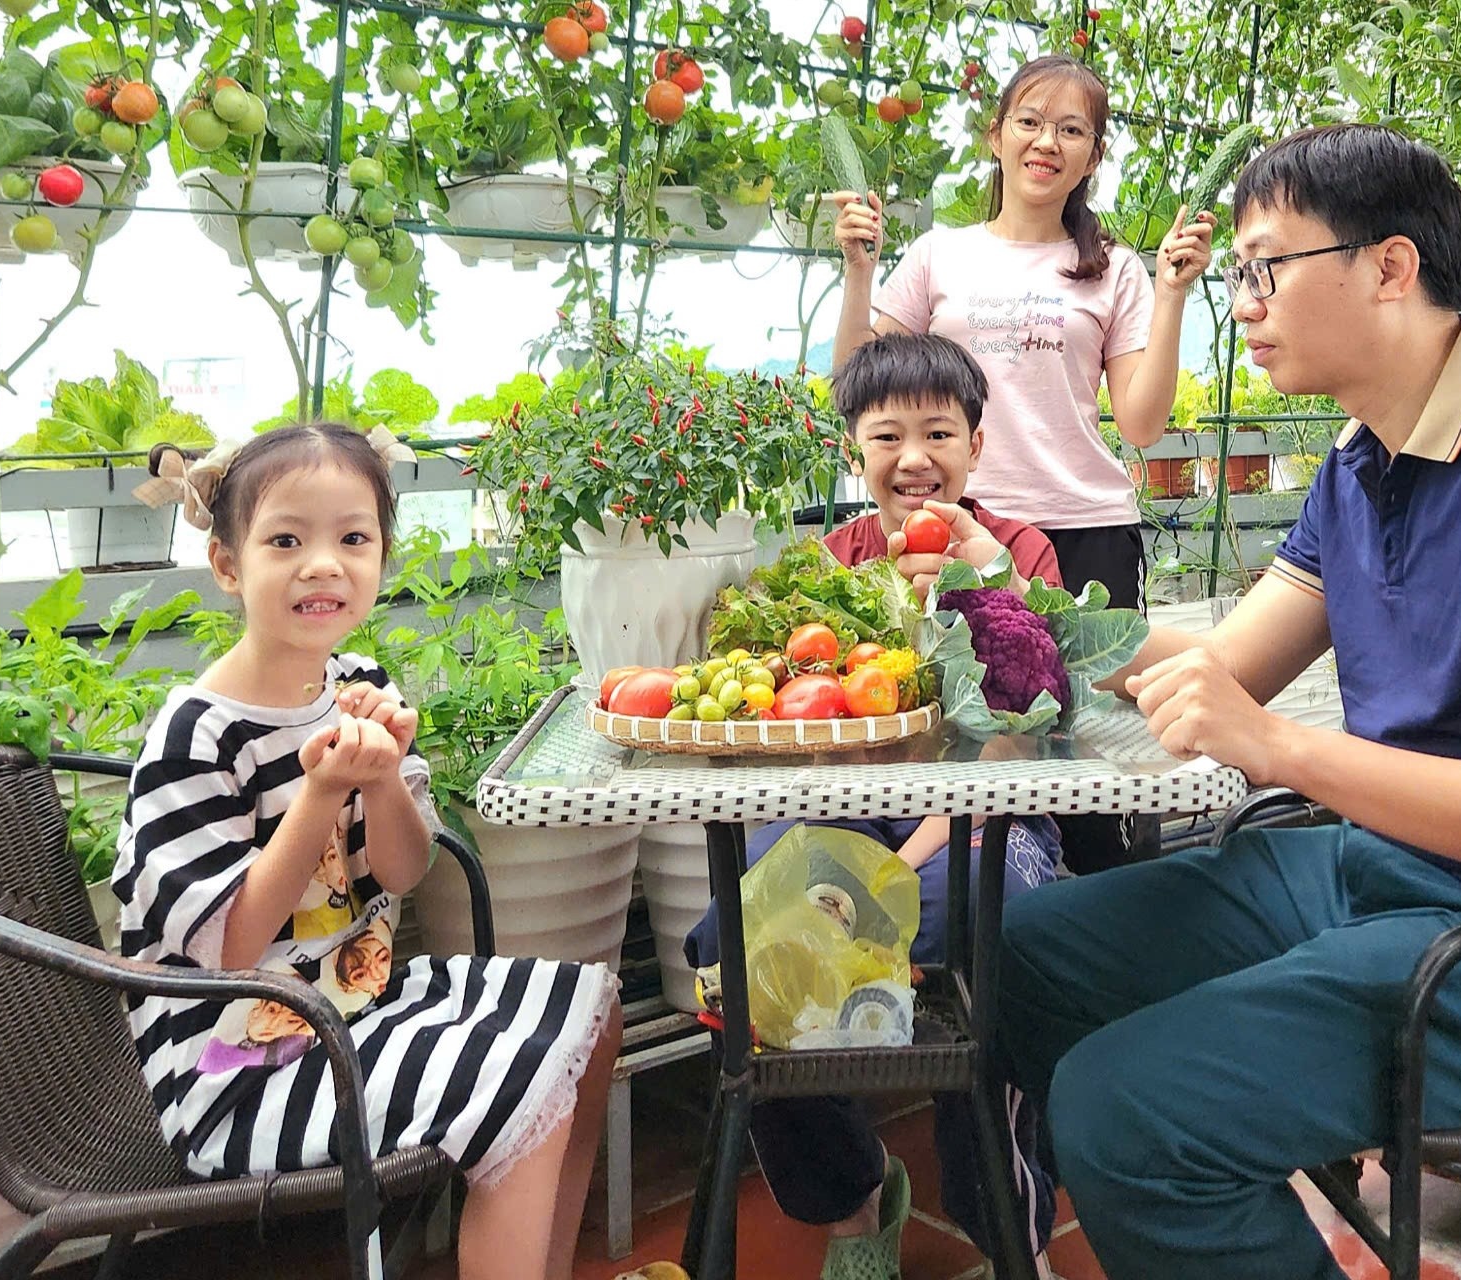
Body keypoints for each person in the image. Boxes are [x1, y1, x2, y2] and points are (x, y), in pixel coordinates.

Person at [999, 123, 1461, 1278]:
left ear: (1390, 266)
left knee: (1125, 1110)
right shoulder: (1359, 463)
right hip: (1390, 876)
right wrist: (1008, 614)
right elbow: (1225, 667)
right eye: (1239, 275)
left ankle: (1176, 1166)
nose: (1244, 304)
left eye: (1266, 268)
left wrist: (1283, 749)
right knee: (1019, 946)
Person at [116, 424, 686, 1280]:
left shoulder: (359, 684)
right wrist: (320, 795)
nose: (323, 565)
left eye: (353, 538)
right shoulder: (195, 737)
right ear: (227, 564)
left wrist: (382, 782)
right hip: (236, 1067)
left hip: (354, 1001)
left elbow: (405, 871)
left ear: (382, 555)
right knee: (519, 1079)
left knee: (594, 1014)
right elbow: (229, 949)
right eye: (285, 541)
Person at [685, 333, 1068, 1279]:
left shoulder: (1019, 551)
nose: (914, 459)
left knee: (992, 932)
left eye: (939, 433)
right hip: (842, 812)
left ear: (977, 444)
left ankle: (1007, 1226)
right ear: (855, 449)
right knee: (737, 945)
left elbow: (1027, 732)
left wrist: (985, 587)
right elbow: (799, 729)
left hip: (987, 816)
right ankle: (853, 1202)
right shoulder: (832, 562)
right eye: (887, 435)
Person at [829, 53, 1216, 613]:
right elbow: (857, 385)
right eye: (1030, 121)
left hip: (1085, 526)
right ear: (996, 135)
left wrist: (1172, 294)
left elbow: (1142, 424)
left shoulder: (1117, 268)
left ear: (1094, 156)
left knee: (1086, 672)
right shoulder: (938, 254)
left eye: (1072, 130)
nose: (1047, 142)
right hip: (956, 522)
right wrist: (859, 272)